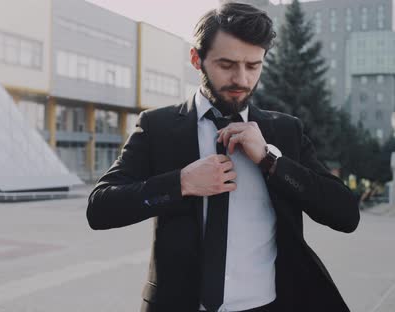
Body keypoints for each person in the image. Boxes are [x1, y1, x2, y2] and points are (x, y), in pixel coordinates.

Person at [86, 2, 359, 312]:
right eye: (227, 65)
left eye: (253, 66)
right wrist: (181, 183)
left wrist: (272, 161)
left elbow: (346, 215)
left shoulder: (284, 131)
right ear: (196, 59)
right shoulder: (157, 126)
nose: (241, 79)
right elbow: (100, 208)